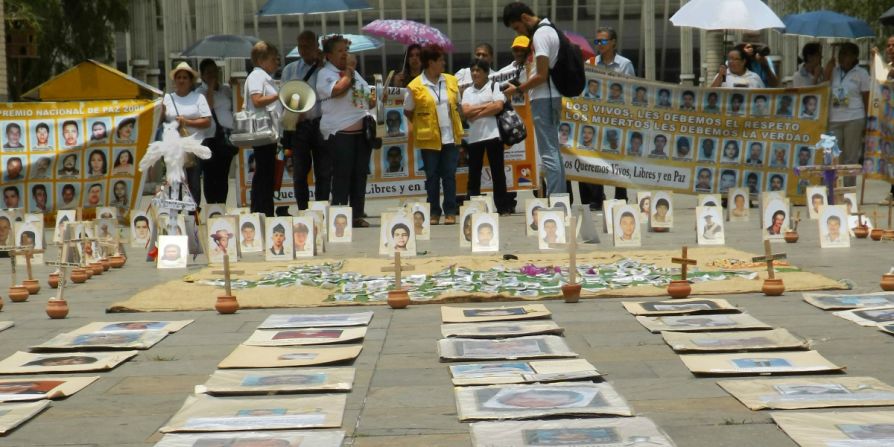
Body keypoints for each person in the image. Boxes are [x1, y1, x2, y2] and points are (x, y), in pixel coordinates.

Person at [502, 2, 567, 196]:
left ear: (524, 18)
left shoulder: (540, 34)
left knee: (548, 154)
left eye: (517, 28)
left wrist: (518, 89)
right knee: (553, 152)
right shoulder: (549, 28)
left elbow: (541, 75)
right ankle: (560, 199)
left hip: (543, 97)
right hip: (550, 96)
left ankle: (556, 201)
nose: (518, 32)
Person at [319, 35, 373, 228]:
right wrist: (349, 74)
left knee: (359, 174)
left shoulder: (354, 73)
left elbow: (367, 96)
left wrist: (371, 97)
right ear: (329, 55)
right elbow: (337, 90)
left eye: (346, 50)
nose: (344, 55)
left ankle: (357, 213)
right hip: (339, 132)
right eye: (340, 51)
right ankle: (340, 214)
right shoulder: (326, 73)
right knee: (342, 174)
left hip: (360, 131)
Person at [405, 44, 462, 226]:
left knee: (449, 175)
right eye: (440, 60)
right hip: (429, 138)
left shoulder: (451, 81)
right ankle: (434, 212)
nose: (444, 63)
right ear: (430, 63)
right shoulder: (414, 86)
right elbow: (408, 111)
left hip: (450, 136)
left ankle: (450, 211)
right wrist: (423, 122)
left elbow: (457, 105)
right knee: (432, 176)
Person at [580, 26, 632, 210]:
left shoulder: (625, 64)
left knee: (618, 158)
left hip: (617, 118)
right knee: (596, 157)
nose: (599, 45)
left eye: (603, 41)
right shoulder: (591, 63)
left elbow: (631, 90)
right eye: (597, 41)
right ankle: (596, 197)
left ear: (613, 43)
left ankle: (620, 195)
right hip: (595, 118)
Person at [282, 31, 330, 211]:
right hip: (299, 126)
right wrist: (295, 110)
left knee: (324, 171)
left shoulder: (325, 69)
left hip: (321, 122)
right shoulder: (290, 70)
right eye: (300, 46)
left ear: (316, 46)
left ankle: (321, 209)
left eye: (307, 46)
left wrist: (322, 64)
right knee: (300, 172)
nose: (303, 50)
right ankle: (303, 210)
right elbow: (284, 96)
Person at [461, 59, 512, 216]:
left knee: (498, 173)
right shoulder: (468, 91)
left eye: (478, 70)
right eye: (473, 71)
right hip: (475, 137)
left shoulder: (494, 86)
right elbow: (465, 112)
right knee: (474, 173)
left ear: (486, 72)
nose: (475, 73)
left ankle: (502, 207)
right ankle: (474, 207)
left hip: (493, 135)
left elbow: (498, 106)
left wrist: (477, 112)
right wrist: (487, 106)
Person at [163, 61, 214, 206]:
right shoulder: (168, 99)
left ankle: (193, 216)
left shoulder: (198, 98)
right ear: (175, 80)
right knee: (175, 181)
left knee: (193, 183)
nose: (181, 80)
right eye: (179, 77)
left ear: (190, 80)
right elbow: (161, 121)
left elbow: (207, 121)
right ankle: (176, 215)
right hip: (174, 146)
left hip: (194, 145)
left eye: (185, 77)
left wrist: (187, 122)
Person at [824, 42, 870, 187]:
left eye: (846, 53)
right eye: (841, 53)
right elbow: (823, 87)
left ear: (854, 56)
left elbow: (866, 97)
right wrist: (828, 70)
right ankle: (832, 190)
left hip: (854, 118)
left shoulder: (861, 73)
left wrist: (868, 121)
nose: (842, 56)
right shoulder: (834, 71)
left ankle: (849, 192)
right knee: (833, 156)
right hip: (834, 118)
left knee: (851, 157)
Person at [245, 42, 281, 217]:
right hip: (262, 129)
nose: (277, 63)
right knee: (264, 171)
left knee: (267, 170)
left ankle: (264, 208)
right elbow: (257, 100)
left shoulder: (264, 76)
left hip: (269, 131)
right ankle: (261, 209)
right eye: (274, 59)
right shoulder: (257, 76)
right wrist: (278, 95)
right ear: (261, 60)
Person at [197, 58, 237, 206]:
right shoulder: (200, 92)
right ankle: (212, 205)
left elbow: (235, 104)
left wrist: (235, 87)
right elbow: (206, 107)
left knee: (223, 174)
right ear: (202, 75)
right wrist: (210, 88)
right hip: (209, 138)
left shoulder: (225, 89)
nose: (213, 75)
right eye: (208, 73)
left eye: (215, 71)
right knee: (210, 174)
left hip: (226, 136)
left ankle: (221, 203)